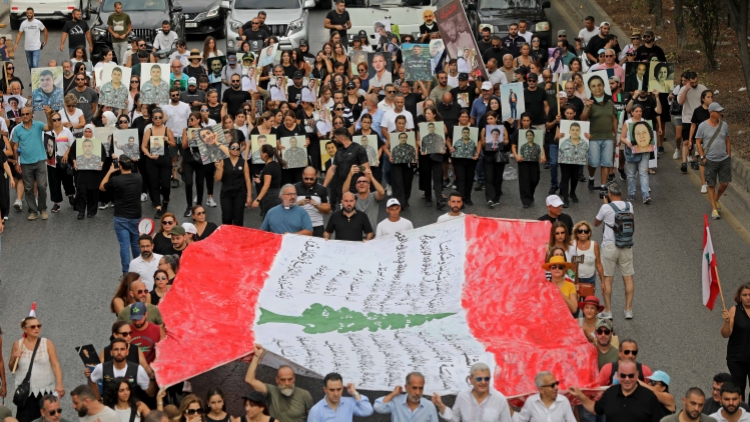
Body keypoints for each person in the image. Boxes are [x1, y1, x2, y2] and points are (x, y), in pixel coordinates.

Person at [9, 316, 65, 422]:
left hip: (46, 391)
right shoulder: (18, 344)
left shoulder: (47, 343)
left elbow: (55, 365)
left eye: (39, 326)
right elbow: (12, 368)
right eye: (33, 326)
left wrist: (59, 384)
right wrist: (13, 357)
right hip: (26, 393)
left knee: (48, 418)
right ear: (24, 329)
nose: (36, 328)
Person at [594, 182, 635, 319]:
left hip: (609, 246)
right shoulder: (629, 206)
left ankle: (608, 311)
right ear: (621, 193)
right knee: (628, 278)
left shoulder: (606, 207)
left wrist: (606, 204)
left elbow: (596, 223)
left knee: (608, 279)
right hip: (626, 244)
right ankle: (628, 310)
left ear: (609, 194)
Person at [244, 344, 313, 422]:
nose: (287, 383)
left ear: (294, 378)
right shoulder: (271, 391)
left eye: (290, 379)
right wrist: (257, 355)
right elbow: (249, 380)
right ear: (277, 380)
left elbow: (312, 417)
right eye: (283, 380)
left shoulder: (304, 394)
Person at [100, 155, 143, 273]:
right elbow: (137, 172)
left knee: (124, 246)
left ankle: (126, 272)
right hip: (136, 216)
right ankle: (138, 270)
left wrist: (109, 171)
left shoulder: (115, 180)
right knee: (135, 244)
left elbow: (102, 187)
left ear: (119, 166)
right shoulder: (138, 177)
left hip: (120, 217)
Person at [432, 362, 512, 422]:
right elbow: (455, 418)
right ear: (471, 379)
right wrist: (440, 405)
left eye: (486, 379)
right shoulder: (462, 396)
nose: (483, 382)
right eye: (479, 379)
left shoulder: (499, 399)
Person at [12, 106, 53, 220]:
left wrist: (48, 115)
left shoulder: (38, 125)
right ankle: (33, 211)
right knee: (28, 188)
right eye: (23, 114)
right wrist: (16, 163)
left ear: (31, 115)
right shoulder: (17, 129)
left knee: (42, 186)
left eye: (27, 114)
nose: (25, 116)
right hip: (25, 163)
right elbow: (15, 146)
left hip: (40, 160)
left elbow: (50, 127)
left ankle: (43, 209)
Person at [696, 103, 731, 220]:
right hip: (710, 160)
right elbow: (698, 142)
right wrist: (702, 156)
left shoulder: (724, 125)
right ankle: (714, 209)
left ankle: (716, 199)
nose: (720, 113)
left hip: (724, 159)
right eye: (718, 111)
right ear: (711, 113)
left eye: (721, 111)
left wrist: (729, 155)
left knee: (725, 183)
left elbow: (727, 141)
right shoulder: (702, 126)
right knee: (711, 184)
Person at [88, 339, 155, 398]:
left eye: (122, 349)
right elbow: (92, 379)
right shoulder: (101, 367)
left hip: (131, 407)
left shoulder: (138, 369)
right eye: (116, 349)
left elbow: (150, 393)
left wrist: (152, 378)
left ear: (127, 352)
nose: (119, 352)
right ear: (111, 352)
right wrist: (98, 400)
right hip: (109, 407)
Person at [721, 283, 750, 401]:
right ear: (740, 296)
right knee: (739, 388)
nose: (748, 298)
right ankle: (741, 410)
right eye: (745, 295)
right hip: (737, 358)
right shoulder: (734, 310)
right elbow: (725, 334)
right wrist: (727, 322)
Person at [373, 372, 438, 422]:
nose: (418, 392)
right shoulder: (396, 401)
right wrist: (393, 394)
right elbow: (378, 407)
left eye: (421, 388)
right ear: (406, 387)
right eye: (414, 388)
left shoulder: (429, 406)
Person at [214, 140, 252, 226]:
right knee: (226, 217)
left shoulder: (243, 162)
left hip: (239, 194)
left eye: (237, 148)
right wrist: (218, 168)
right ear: (229, 149)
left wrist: (249, 195)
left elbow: (247, 180)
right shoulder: (223, 161)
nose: (235, 150)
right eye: (233, 148)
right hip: (226, 194)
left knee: (238, 218)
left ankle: (238, 234)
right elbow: (217, 179)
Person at [307, 373, 373, 421]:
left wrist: (354, 392)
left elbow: (367, 411)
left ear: (342, 388)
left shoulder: (348, 403)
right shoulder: (316, 411)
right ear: (325, 390)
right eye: (332, 390)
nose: (336, 394)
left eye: (339, 389)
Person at [341, 166, 385, 230]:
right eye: (359, 182)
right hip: (357, 234)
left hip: (371, 234)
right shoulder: (353, 198)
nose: (361, 183)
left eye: (364, 181)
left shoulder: (374, 196)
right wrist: (350, 175)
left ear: (368, 186)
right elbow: (345, 192)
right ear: (356, 186)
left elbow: (382, 192)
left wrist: (371, 177)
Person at [294, 167, 330, 238]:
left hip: (317, 226)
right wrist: (298, 203)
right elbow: (286, 207)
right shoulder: (294, 188)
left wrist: (317, 206)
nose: (308, 181)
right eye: (306, 178)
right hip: (299, 226)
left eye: (311, 179)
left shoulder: (322, 189)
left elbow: (327, 211)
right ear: (302, 175)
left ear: (316, 176)